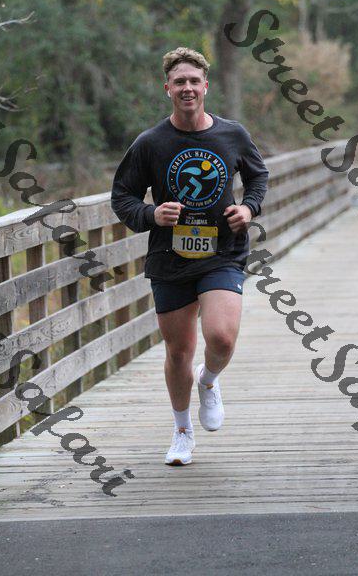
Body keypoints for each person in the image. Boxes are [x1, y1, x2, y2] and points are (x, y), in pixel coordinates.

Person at [111, 47, 269, 466]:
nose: (187, 88)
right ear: (167, 88)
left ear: (206, 87)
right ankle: (182, 431)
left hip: (222, 252)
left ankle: (209, 380)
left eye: (194, 81)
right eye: (179, 81)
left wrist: (249, 208)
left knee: (221, 337)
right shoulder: (150, 143)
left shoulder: (232, 134)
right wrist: (151, 214)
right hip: (171, 256)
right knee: (179, 352)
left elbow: (258, 176)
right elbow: (122, 196)